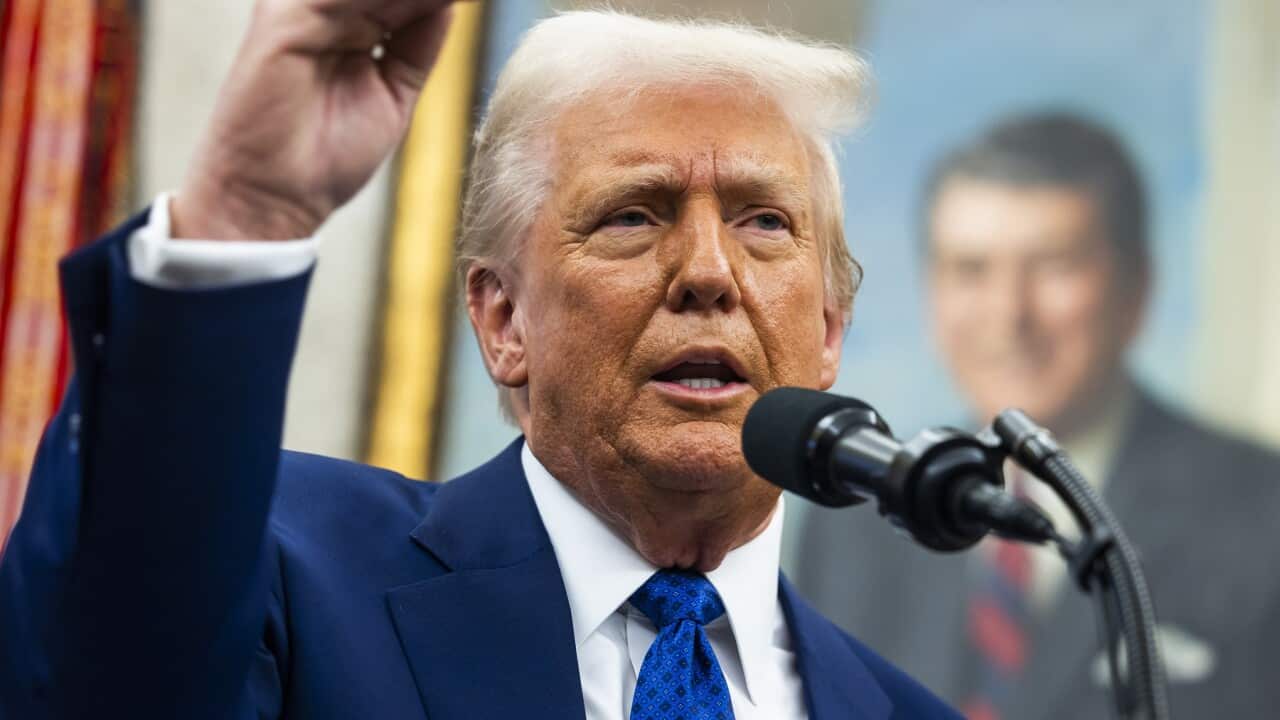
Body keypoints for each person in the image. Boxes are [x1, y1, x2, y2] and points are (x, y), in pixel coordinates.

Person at [0, 2, 959, 718]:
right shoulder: (283, 570)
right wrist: (244, 215)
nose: (708, 272)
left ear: (830, 327)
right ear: (503, 320)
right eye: (634, 215)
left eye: (763, 222)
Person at [793, 113, 1280, 719]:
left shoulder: (1264, 512)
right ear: (930, 291)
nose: (1008, 315)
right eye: (971, 271)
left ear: (1137, 289)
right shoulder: (852, 525)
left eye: (1055, 266)